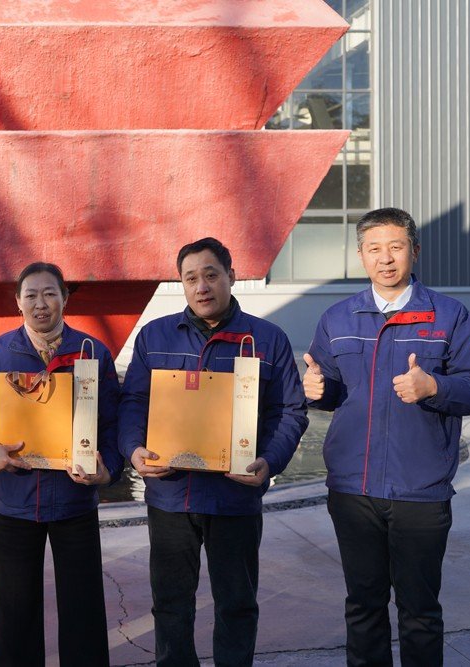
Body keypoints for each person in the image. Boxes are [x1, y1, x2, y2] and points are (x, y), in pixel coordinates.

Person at [303, 207, 470, 666]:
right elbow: (331, 389)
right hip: (353, 489)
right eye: (374, 249)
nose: (385, 258)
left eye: (395, 247)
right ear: (360, 255)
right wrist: (316, 390)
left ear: (414, 251)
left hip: (420, 489)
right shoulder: (337, 318)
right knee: (363, 605)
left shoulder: (448, 315)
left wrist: (434, 387)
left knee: (419, 610)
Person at [118, 237, 308, 666]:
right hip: (170, 496)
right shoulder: (155, 336)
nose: (201, 286)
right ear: (182, 284)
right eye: (191, 278)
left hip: (234, 497)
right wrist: (133, 449)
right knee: (171, 605)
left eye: (210, 275)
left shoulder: (267, 340)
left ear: (231, 276)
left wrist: (269, 461)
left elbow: (289, 412)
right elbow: (133, 403)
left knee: (237, 604)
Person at [0, 262, 122, 667]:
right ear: (18, 302)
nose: (41, 303)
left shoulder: (93, 353)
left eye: (50, 293)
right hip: (16, 498)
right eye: (31, 295)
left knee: (83, 607)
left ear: (65, 299)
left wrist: (108, 470)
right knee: (15, 610)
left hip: (75, 499)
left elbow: (112, 424)